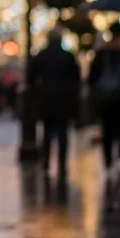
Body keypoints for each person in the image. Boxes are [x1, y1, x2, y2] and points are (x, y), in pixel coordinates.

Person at [29, 27, 81, 180]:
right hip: (64, 99)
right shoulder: (67, 56)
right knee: (62, 133)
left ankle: (46, 161)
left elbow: (31, 76)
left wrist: (36, 92)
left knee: (47, 132)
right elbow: (75, 79)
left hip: (46, 98)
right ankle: (62, 163)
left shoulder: (41, 55)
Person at [89, 21, 120, 181]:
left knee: (108, 130)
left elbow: (92, 77)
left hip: (105, 98)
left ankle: (108, 162)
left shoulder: (102, 52)